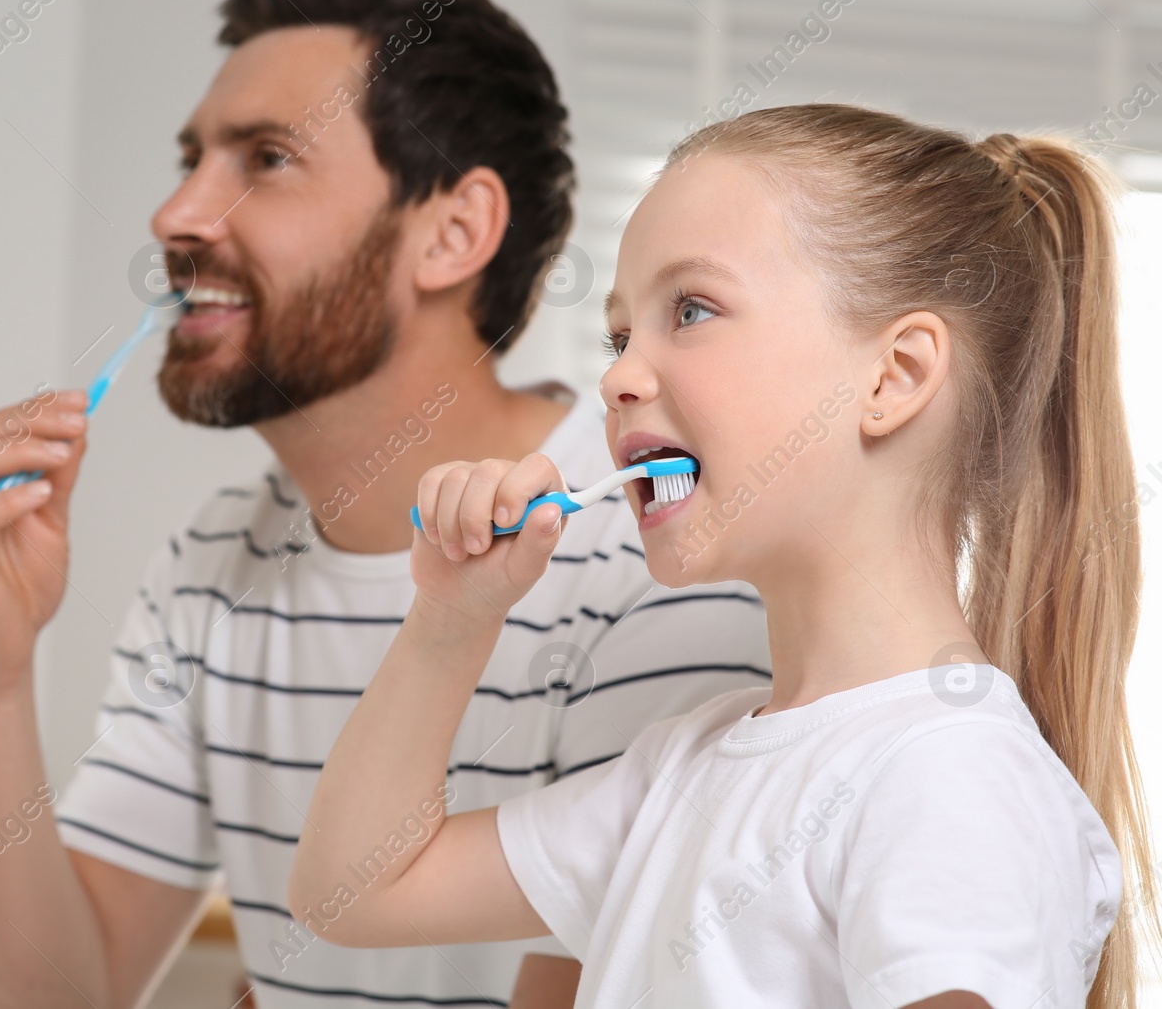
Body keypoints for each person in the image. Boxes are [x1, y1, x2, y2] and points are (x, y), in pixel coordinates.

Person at [0, 0, 769, 1006]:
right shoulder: (208, 568)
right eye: (189, 159)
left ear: (453, 231)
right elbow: (53, 996)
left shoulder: (654, 552)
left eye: (265, 159)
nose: (178, 215)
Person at [289, 103, 1162, 1008]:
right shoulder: (684, 767)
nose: (618, 376)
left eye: (692, 309)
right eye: (621, 336)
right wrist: (449, 620)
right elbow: (352, 892)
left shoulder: (949, 775)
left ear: (893, 376)